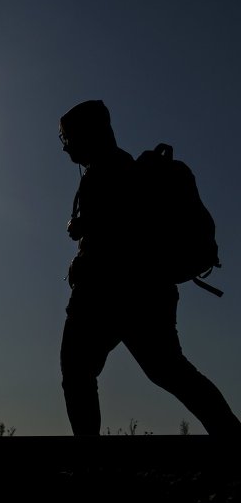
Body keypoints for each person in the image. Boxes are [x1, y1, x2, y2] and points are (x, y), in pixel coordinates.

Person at [58, 99, 241, 435]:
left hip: (106, 294)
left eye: (67, 137)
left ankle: (88, 463)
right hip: (149, 293)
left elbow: (118, 232)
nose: (66, 146)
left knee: (77, 370)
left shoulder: (106, 173)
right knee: (170, 371)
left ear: (89, 133)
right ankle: (230, 433)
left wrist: (85, 228)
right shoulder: (130, 170)